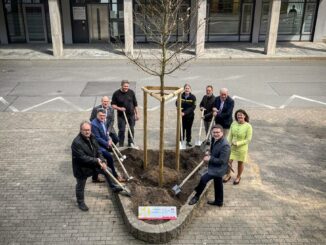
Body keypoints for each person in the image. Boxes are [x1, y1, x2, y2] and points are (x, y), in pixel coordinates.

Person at [71, 121, 123, 211]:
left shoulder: (92, 136)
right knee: (80, 186)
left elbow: (98, 150)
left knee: (108, 170)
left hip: (94, 164)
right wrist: (97, 160)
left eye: (89, 130)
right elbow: (82, 158)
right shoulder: (76, 143)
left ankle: (114, 187)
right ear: (81, 130)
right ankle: (80, 202)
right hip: (82, 168)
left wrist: (102, 160)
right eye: (85, 130)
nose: (87, 132)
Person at [188, 124, 231, 206]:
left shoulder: (225, 145)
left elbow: (222, 161)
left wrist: (210, 158)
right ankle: (219, 201)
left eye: (218, 132)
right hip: (214, 165)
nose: (216, 134)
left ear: (222, 133)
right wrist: (209, 151)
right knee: (218, 183)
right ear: (211, 133)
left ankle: (196, 197)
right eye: (214, 132)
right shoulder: (215, 139)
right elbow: (213, 148)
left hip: (219, 168)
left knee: (203, 179)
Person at [91, 109, 125, 183]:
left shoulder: (103, 121)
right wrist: (107, 143)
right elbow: (97, 138)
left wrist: (109, 139)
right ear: (97, 115)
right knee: (109, 157)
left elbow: (106, 133)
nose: (102, 117)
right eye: (100, 115)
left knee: (98, 162)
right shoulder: (94, 124)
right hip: (97, 146)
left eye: (103, 115)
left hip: (103, 144)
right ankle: (115, 176)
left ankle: (95, 177)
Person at [224, 109, 253, 185]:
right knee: (228, 161)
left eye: (241, 114)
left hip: (242, 148)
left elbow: (248, 139)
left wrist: (238, 143)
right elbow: (230, 135)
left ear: (245, 116)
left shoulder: (248, 126)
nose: (239, 116)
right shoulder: (233, 124)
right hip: (232, 147)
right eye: (238, 115)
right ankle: (228, 175)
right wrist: (227, 143)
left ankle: (238, 177)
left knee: (240, 163)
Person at [111, 80, 139, 147]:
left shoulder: (131, 92)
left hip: (131, 115)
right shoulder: (116, 93)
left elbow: (135, 104)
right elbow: (113, 105)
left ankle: (130, 143)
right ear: (121, 86)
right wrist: (120, 108)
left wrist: (137, 114)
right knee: (122, 130)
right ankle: (121, 144)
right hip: (121, 116)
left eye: (127, 86)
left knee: (131, 129)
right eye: (125, 86)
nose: (126, 87)